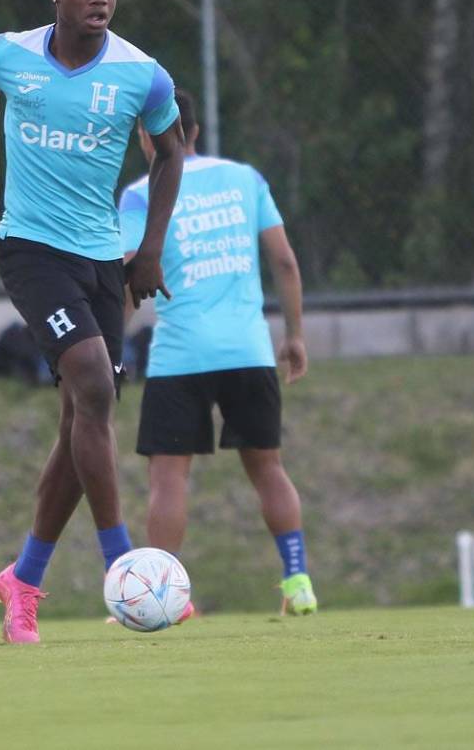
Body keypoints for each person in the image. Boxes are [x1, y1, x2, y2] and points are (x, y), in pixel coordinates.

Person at [0, 0, 186, 643]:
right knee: (94, 389)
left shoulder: (142, 75)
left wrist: (150, 249)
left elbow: (171, 156)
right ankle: (124, 569)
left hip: (102, 259)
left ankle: (25, 579)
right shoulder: (8, 53)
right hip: (30, 249)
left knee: (81, 422)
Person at [118, 89, 318, 616]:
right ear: (196, 131)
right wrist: (294, 335)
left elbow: (129, 276)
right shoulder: (244, 180)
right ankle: (297, 580)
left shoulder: (141, 193)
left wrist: (111, 351)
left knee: (168, 478)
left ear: (146, 135)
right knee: (268, 469)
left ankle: (168, 598)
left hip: (180, 355)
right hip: (248, 351)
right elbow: (285, 261)